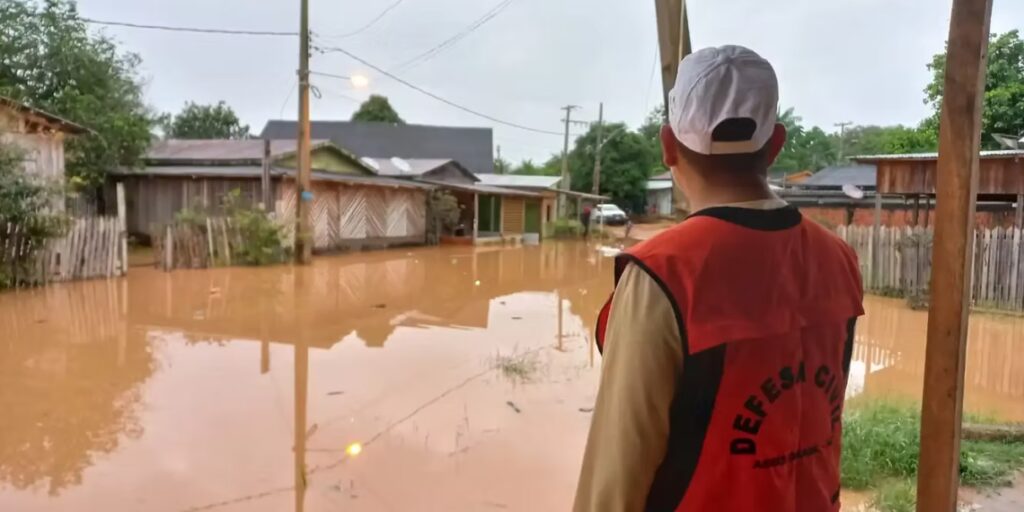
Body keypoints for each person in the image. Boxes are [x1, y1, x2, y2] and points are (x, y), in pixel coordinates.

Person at [574, 45, 864, 512]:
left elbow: (615, 474)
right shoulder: (838, 259)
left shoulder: (664, 274)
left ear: (668, 145)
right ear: (776, 143)